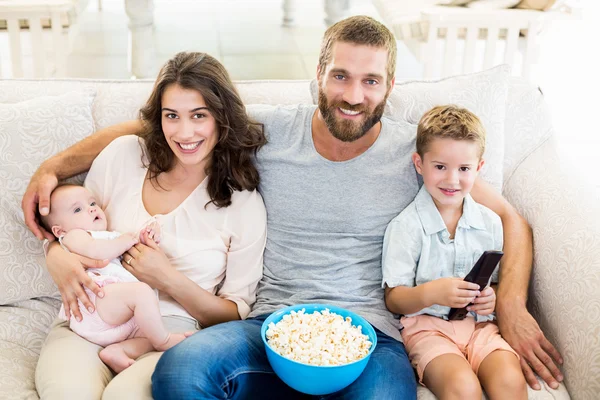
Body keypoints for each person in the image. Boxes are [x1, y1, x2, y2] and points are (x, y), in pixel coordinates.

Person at [22, 16, 563, 398]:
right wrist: (52, 168)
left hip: (370, 334)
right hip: (267, 324)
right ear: (318, 76)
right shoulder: (270, 133)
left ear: (389, 86)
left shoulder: (417, 155)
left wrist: (511, 306)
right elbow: (160, 127)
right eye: (340, 76)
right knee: (179, 375)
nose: (353, 94)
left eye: (370, 80)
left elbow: (511, 219)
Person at [29, 52, 268, 399]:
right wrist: (55, 255)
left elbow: (233, 313)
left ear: (222, 117)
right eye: (172, 116)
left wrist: (166, 277)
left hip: (168, 333)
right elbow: (71, 226)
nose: (184, 132)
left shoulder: (242, 202)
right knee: (67, 392)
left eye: (199, 115)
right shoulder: (124, 155)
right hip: (91, 314)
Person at [383, 105, 527, 399]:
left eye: (464, 169)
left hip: (480, 328)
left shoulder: (490, 222)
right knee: (463, 387)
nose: (452, 180)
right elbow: (393, 298)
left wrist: (491, 297)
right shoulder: (406, 227)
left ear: (479, 168)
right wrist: (432, 293)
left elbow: (494, 282)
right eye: (440, 167)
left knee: (510, 381)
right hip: (428, 330)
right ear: (419, 164)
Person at [39, 184, 192, 374]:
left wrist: (145, 238)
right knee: (141, 293)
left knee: (148, 333)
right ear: (59, 231)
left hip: (116, 314)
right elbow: (99, 254)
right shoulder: (74, 237)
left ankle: (118, 351)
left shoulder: (109, 235)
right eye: (78, 209)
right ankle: (164, 341)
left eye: (92, 203)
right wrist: (126, 240)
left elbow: (128, 253)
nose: (92, 209)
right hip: (95, 304)